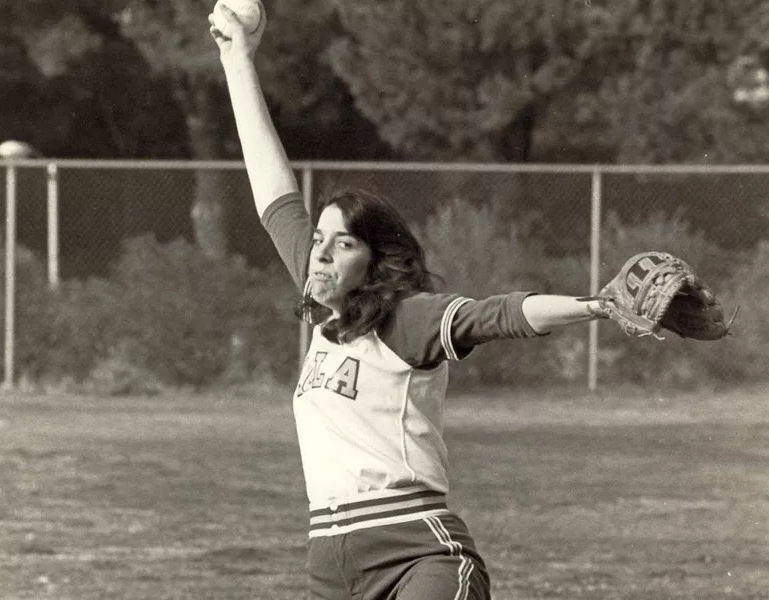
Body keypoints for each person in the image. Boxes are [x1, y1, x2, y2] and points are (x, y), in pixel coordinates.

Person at [209, 7, 608, 599]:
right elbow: (271, 189)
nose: (318, 254)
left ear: (372, 261)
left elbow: (497, 314)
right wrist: (235, 57)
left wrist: (597, 307)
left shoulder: (404, 318)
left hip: (417, 552)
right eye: (317, 239)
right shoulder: (323, 302)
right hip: (330, 565)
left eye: (341, 243)